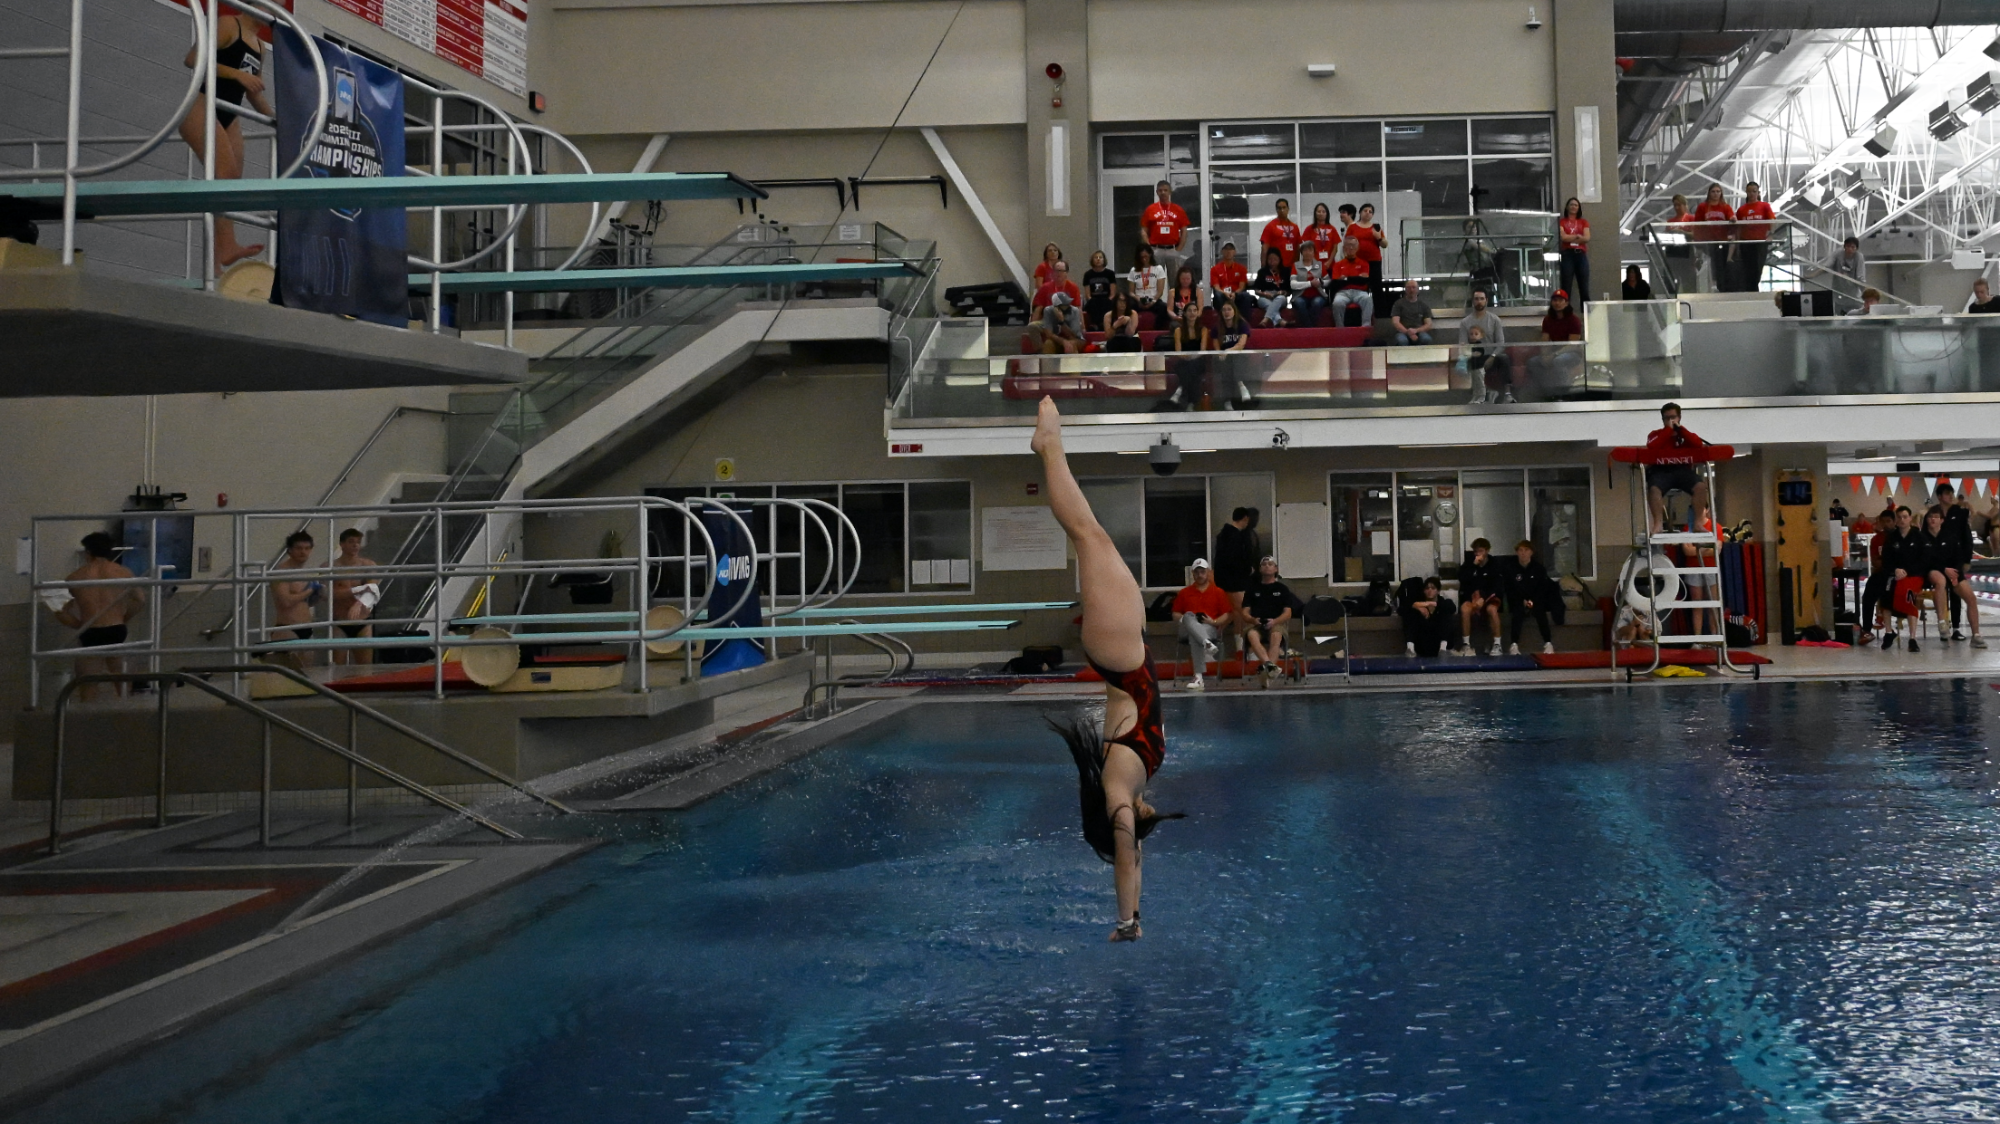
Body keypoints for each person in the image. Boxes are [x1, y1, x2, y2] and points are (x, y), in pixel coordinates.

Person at [1033, 398, 1184, 943]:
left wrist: (1124, 922)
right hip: (1124, 650)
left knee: (1089, 535)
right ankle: (1051, 448)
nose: (1147, 822)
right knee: (1091, 537)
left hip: (1120, 655)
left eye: (1141, 826)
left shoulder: (1120, 787)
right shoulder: (1127, 784)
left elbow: (1125, 857)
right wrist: (1136, 916)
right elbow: (1135, 861)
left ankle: (1050, 446)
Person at [181, 10, 270, 271]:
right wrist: (236, 74)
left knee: (230, 182)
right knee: (225, 173)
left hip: (230, 114)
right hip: (201, 106)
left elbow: (253, 93)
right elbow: (192, 59)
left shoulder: (260, 46)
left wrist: (277, 120)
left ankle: (217, 262)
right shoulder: (228, 25)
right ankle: (227, 247)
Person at [60, 532, 143, 701]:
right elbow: (140, 600)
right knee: (121, 679)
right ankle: (128, 716)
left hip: (91, 631)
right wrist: (124, 618)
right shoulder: (123, 572)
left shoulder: (75, 577)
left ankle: (88, 721)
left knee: (88, 683)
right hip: (116, 629)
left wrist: (79, 625)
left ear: (87, 552)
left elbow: (60, 611)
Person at [1643, 401, 1712, 535]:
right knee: (1654, 489)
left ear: (1679, 417)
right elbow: (1652, 446)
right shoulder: (1655, 434)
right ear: (1662, 419)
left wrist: (1681, 431)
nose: (1670, 420)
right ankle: (1658, 524)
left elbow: (1697, 444)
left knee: (1700, 487)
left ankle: (1698, 523)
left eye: (1673, 417)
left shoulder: (1685, 434)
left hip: (1683, 470)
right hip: (1661, 471)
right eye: (1667, 418)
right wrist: (1668, 431)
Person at [1867, 505, 1924, 650]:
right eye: (1899, 517)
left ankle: (1912, 638)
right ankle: (1888, 631)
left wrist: (1906, 571)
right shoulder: (1891, 538)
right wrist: (1896, 570)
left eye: (1905, 517)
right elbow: (1886, 560)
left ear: (1910, 518)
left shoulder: (1918, 536)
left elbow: (1923, 560)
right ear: (1896, 520)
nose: (1902, 520)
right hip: (1894, 574)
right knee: (1885, 594)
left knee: (1909, 597)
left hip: (1913, 575)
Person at [1931, 482, 1982, 644]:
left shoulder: (1959, 513)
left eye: (1951, 493)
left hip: (1955, 559)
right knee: (1941, 588)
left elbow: (1967, 537)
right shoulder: (1933, 514)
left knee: (1957, 594)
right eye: (1947, 494)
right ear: (1939, 496)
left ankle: (1957, 628)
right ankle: (1943, 626)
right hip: (1937, 562)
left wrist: (1967, 559)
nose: (1950, 496)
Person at [1172, 558, 1234, 690]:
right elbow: (1176, 614)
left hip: (1209, 627)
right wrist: (1189, 620)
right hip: (1187, 627)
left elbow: (1227, 614)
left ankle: (1198, 676)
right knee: (1188, 616)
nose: (1200, 575)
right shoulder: (1184, 593)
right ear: (1193, 574)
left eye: (1202, 572)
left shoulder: (1218, 592)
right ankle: (1206, 643)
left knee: (1194, 636)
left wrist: (1214, 621)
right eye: (1197, 572)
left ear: (1208, 573)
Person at [1239, 556, 1298, 679]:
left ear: (1275, 569)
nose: (1267, 566)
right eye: (1264, 564)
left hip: (1276, 623)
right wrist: (1253, 620)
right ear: (1260, 569)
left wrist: (1275, 621)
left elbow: (1288, 613)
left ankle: (1267, 673)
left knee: (1276, 635)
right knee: (1251, 634)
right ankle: (1269, 665)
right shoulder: (1252, 589)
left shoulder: (1282, 589)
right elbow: (1244, 613)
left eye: (1270, 564)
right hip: (1256, 623)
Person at [270, 530, 322, 667]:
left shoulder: (305, 573)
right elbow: (286, 601)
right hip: (287, 628)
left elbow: (306, 603)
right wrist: (310, 590)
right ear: (290, 550)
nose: (303, 552)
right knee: (286, 676)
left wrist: (318, 594)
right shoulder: (281, 572)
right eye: (299, 548)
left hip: (306, 628)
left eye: (307, 548)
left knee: (307, 674)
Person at [331, 528, 381, 665]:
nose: (355, 545)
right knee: (338, 667)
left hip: (362, 621)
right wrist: (357, 589)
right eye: (351, 542)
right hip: (340, 621)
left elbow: (372, 589)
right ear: (342, 544)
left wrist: (358, 604)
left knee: (364, 667)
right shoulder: (331, 567)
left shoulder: (368, 565)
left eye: (358, 542)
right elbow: (329, 594)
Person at [1499, 539, 1555, 655]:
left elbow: (1542, 589)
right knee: (1517, 612)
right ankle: (1514, 644)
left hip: (1535, 600)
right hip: (1517, 600)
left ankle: (1548, 643)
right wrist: (1522, 601)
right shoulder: (1510, 569)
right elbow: (1509, 589)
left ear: (1531, 552)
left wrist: (1532, 601)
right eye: (1520, 550)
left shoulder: (1538, 569)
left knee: (1540, 612)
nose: (1523, 553)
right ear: (1517, 552)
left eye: (1526, 550)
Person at [1158, 299, 1210, 410]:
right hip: (1183, 361)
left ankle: (1180, 390)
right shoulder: (1178, 330)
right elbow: (1178, 351)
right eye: (1189, 311)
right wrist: (1187, 357)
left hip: (1198, 360)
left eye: (1195, 310)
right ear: (1185, 313)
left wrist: (1192, 357)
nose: (1192, 313)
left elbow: (1203, 350)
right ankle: (1191, 403)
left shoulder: (1203, 330)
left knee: (1193, 366)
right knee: (1188, 369)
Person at [1457, 538, 1505, 655]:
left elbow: (1497, 585)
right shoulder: (1469, 563)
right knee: (1465, 609)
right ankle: (1466, 645)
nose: (1478, 554)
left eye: (1481, 551)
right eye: (1476, 551)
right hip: (1472, 597)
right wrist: (1473, 566)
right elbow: (1462, 579)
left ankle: (1497, 644)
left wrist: (1484, 598)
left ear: (1487, 551)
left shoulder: (1494, 564)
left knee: (1492, 610)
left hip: (1489, 596)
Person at [1140, 180, 1191, 285]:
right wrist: (1150, 248)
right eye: (1160, 190)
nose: (1163, 192)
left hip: (1173, 249)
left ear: (1170, 192)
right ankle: (1155, 301)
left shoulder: (1178, 209)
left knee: (1176, 281)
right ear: (1157, 192)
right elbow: (1144, 231)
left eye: (1165, 190)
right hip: (1156, 249)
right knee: (1154, 281)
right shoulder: (1150, 209)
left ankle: (1175, 301)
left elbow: (1184, 231)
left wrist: (1179, 249)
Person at [1212, 507, 1261, 616]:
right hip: (1234, 581)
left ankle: (1236, 633)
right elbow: (1234, 559)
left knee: (1234, 610)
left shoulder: (1224, 534)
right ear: (1245, 519)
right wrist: (1247, 569)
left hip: (1225, 578)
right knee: (1244, 609)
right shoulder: (1236, 537)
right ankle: (1246, 632)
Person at [1399, 576, 1459, 658]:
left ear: (1438, 591)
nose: (1430, 590)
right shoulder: (1419, 605)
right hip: (1423, 643)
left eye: (1433, 588)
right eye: (1427, 588)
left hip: (1438, 641)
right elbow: (1401, 609)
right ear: (1423, 591)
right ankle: (1410, 648)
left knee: (1446, 613)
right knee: (1410, 612)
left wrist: (1433, 604)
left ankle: (1443, 648)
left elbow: (1452, 608)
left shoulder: (1444, 603)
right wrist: (1417, 606)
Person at [1692, 184, 1737, 290]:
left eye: (1718, 191)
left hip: (1722, 240)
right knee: (1713, 263)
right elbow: (1697, 224)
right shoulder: (1703, 207)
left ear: (1721, 193)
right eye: (1713, 191)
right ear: (1709, 193)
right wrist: (1698, 240)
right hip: (1708, 241)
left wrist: (1733, 218)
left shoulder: (1725, 207)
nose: (1716, 194)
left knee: (1721, 263)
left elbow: (1731, 215)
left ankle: (1722, 285)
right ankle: (1714, 284)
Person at [1211, 298, 1254, 406]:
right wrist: (1223, 353)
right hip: (1223, 358)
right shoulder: (1217, 328)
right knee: (1226, 366)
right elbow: (1217, 347)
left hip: (1239, 355)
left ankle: (1240, 386)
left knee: (1235, 359)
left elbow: (1241, 345)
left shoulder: (1242, 324)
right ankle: (1229, 399)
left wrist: (1228, 351)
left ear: (1234, 311)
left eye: (1229, 309)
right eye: (1224, 310)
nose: (1226, 312)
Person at [1325, 234, 1374, 328]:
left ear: (1357, 247)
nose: (1351, 248)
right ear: (1344, 248)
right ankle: (1340, 328)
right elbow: (1336, 283)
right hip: (1343, 293)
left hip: (1360, 292)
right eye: (1348, 245)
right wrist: (1356, 278)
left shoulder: (1364, 264)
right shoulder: (1338, 265)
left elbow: (1363, 281)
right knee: (1337, 303)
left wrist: (1346, 278)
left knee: (1368, 299)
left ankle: (1365, 327)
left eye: (1353, 245)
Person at [1734, 181, 1774, 292]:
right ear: (1746, 192)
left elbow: (1771, 220)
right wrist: (1737, 245)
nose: (1752, 194)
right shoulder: (1741, 210)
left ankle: (1753, 288)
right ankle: (1751, 290)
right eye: (1749, 191)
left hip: (1760, 242)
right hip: (1746, 242)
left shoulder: (1765, 206)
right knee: (1747, 268)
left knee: (1758, 266)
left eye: (1754, 191)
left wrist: (1770, 234)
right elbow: (1738, 228)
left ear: (1758, 193)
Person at [1460, 323, 1512, 404]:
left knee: (1480, 383)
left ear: (1481, 336)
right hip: (1473, 368)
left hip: (1479, 367)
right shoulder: (1470, 345)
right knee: (1475, 384)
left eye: (1476, 334)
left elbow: (1478, 354)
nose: (1473, 336)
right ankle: (1475, 397)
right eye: (1471, 334)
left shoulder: (1479, 345)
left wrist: (1469, 352)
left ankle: (1482, 398)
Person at [1347, 202, 1388, 302]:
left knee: (1376, 287)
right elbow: (1347, 243)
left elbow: (1385, 245)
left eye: (1370, 212)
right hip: (1357, 261)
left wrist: (1378, 238)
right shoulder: (1352, 227)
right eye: (1365, 210)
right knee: (1358, 286)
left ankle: (1378, 313)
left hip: (1374, 261)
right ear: (1360, 212)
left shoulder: (1376, 227)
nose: (1367, 213)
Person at [1661, 193, 1700, 294]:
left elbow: (1696, 235)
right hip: (1673, 255)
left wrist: (1682, 233)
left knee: (1689, 283)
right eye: (1675, 205)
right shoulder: (1670, 221)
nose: (1677, 207)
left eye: (1679, 205)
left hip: (1687, 254)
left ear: (1685, 205)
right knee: (1672, 282)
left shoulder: (1691, 219)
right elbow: (1666, 237)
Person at [1557, 197, 1591, 306]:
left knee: (1584, 286)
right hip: (1567, 254)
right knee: (1566, 285)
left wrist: (1570, 237)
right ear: (1567, 207)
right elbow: (1563, 238)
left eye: (1576, 205)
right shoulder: (1562, 222)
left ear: (1579, 208)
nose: (1573, 207)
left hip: (1580, 255)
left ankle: (1586, 313)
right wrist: (1577, 236)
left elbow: (1586, 238)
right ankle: (1565, 312)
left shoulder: (1583, 222)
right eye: (1571, 204)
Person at [1209, 242, 1253, 319]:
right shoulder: (1215, 269)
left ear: (1234, 252)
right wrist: (1225, 293)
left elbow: (1242, 287)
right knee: (1218, 295)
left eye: (1231, 249)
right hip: (1223, 294)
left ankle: (1243, 321)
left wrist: (1234, 294)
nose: (1228, 252)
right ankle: (1224, 320)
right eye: (1226, 249)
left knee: (1246, 296)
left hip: (1236, 294)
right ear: (1222, 251)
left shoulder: (1241, 268)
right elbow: (1216, 287)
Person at [1251, 247, 1292, 326]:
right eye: (1270, 259)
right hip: (1265, 296)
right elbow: (1256, 290)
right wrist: (1265, 294)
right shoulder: (1262, 272)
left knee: (1280, 298)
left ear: (1279, 259)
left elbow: (1289, 291)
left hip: (1280, 297)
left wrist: (1282, 292)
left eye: (1275, 259)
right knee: (1263, 301)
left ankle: (1265, 320)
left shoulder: (1285, 271)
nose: (1272, 261)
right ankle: (1281, 321)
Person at [1259, 197, 1301, 271]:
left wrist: (1296, 266)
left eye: (1284, 207)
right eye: (1279, 208)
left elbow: (1297, 249)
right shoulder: (1270, 226)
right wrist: (1263, 267)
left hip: (1290, 267)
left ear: (1288, 209)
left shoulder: (1295, 227)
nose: (1282, 210)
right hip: (1275, 267)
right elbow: (1264, 249)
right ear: (1276, 210)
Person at [1079, 249, 1118, 326]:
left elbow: (1113, 293)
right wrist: (1091, 300)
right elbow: (1088, 294)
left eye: (1100, 257)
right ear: (1092, 260)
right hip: (1093, 300)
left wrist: (1108, 300)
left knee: (1106, 304)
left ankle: (1104, 324)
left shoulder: (1110, 274)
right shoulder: (1088, 275)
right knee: (1094, 305)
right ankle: (1095, 325)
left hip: (1106, 299)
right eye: (1096, 257)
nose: (1098, 259)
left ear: (1104, 260)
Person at [1389, 278, 1434, 345]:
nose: (1411, 290)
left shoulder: (1424, 305)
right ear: (1405, 290)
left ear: (1418, 290)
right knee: (1402, 341)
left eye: (1413, 287)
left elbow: (1428, 324)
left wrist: (1416, 331)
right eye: (1409, 288)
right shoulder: (1398, 304)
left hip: (1419, 331)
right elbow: (1395, 322)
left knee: (1426, 339)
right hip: (1402, 332)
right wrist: (1408, 332)